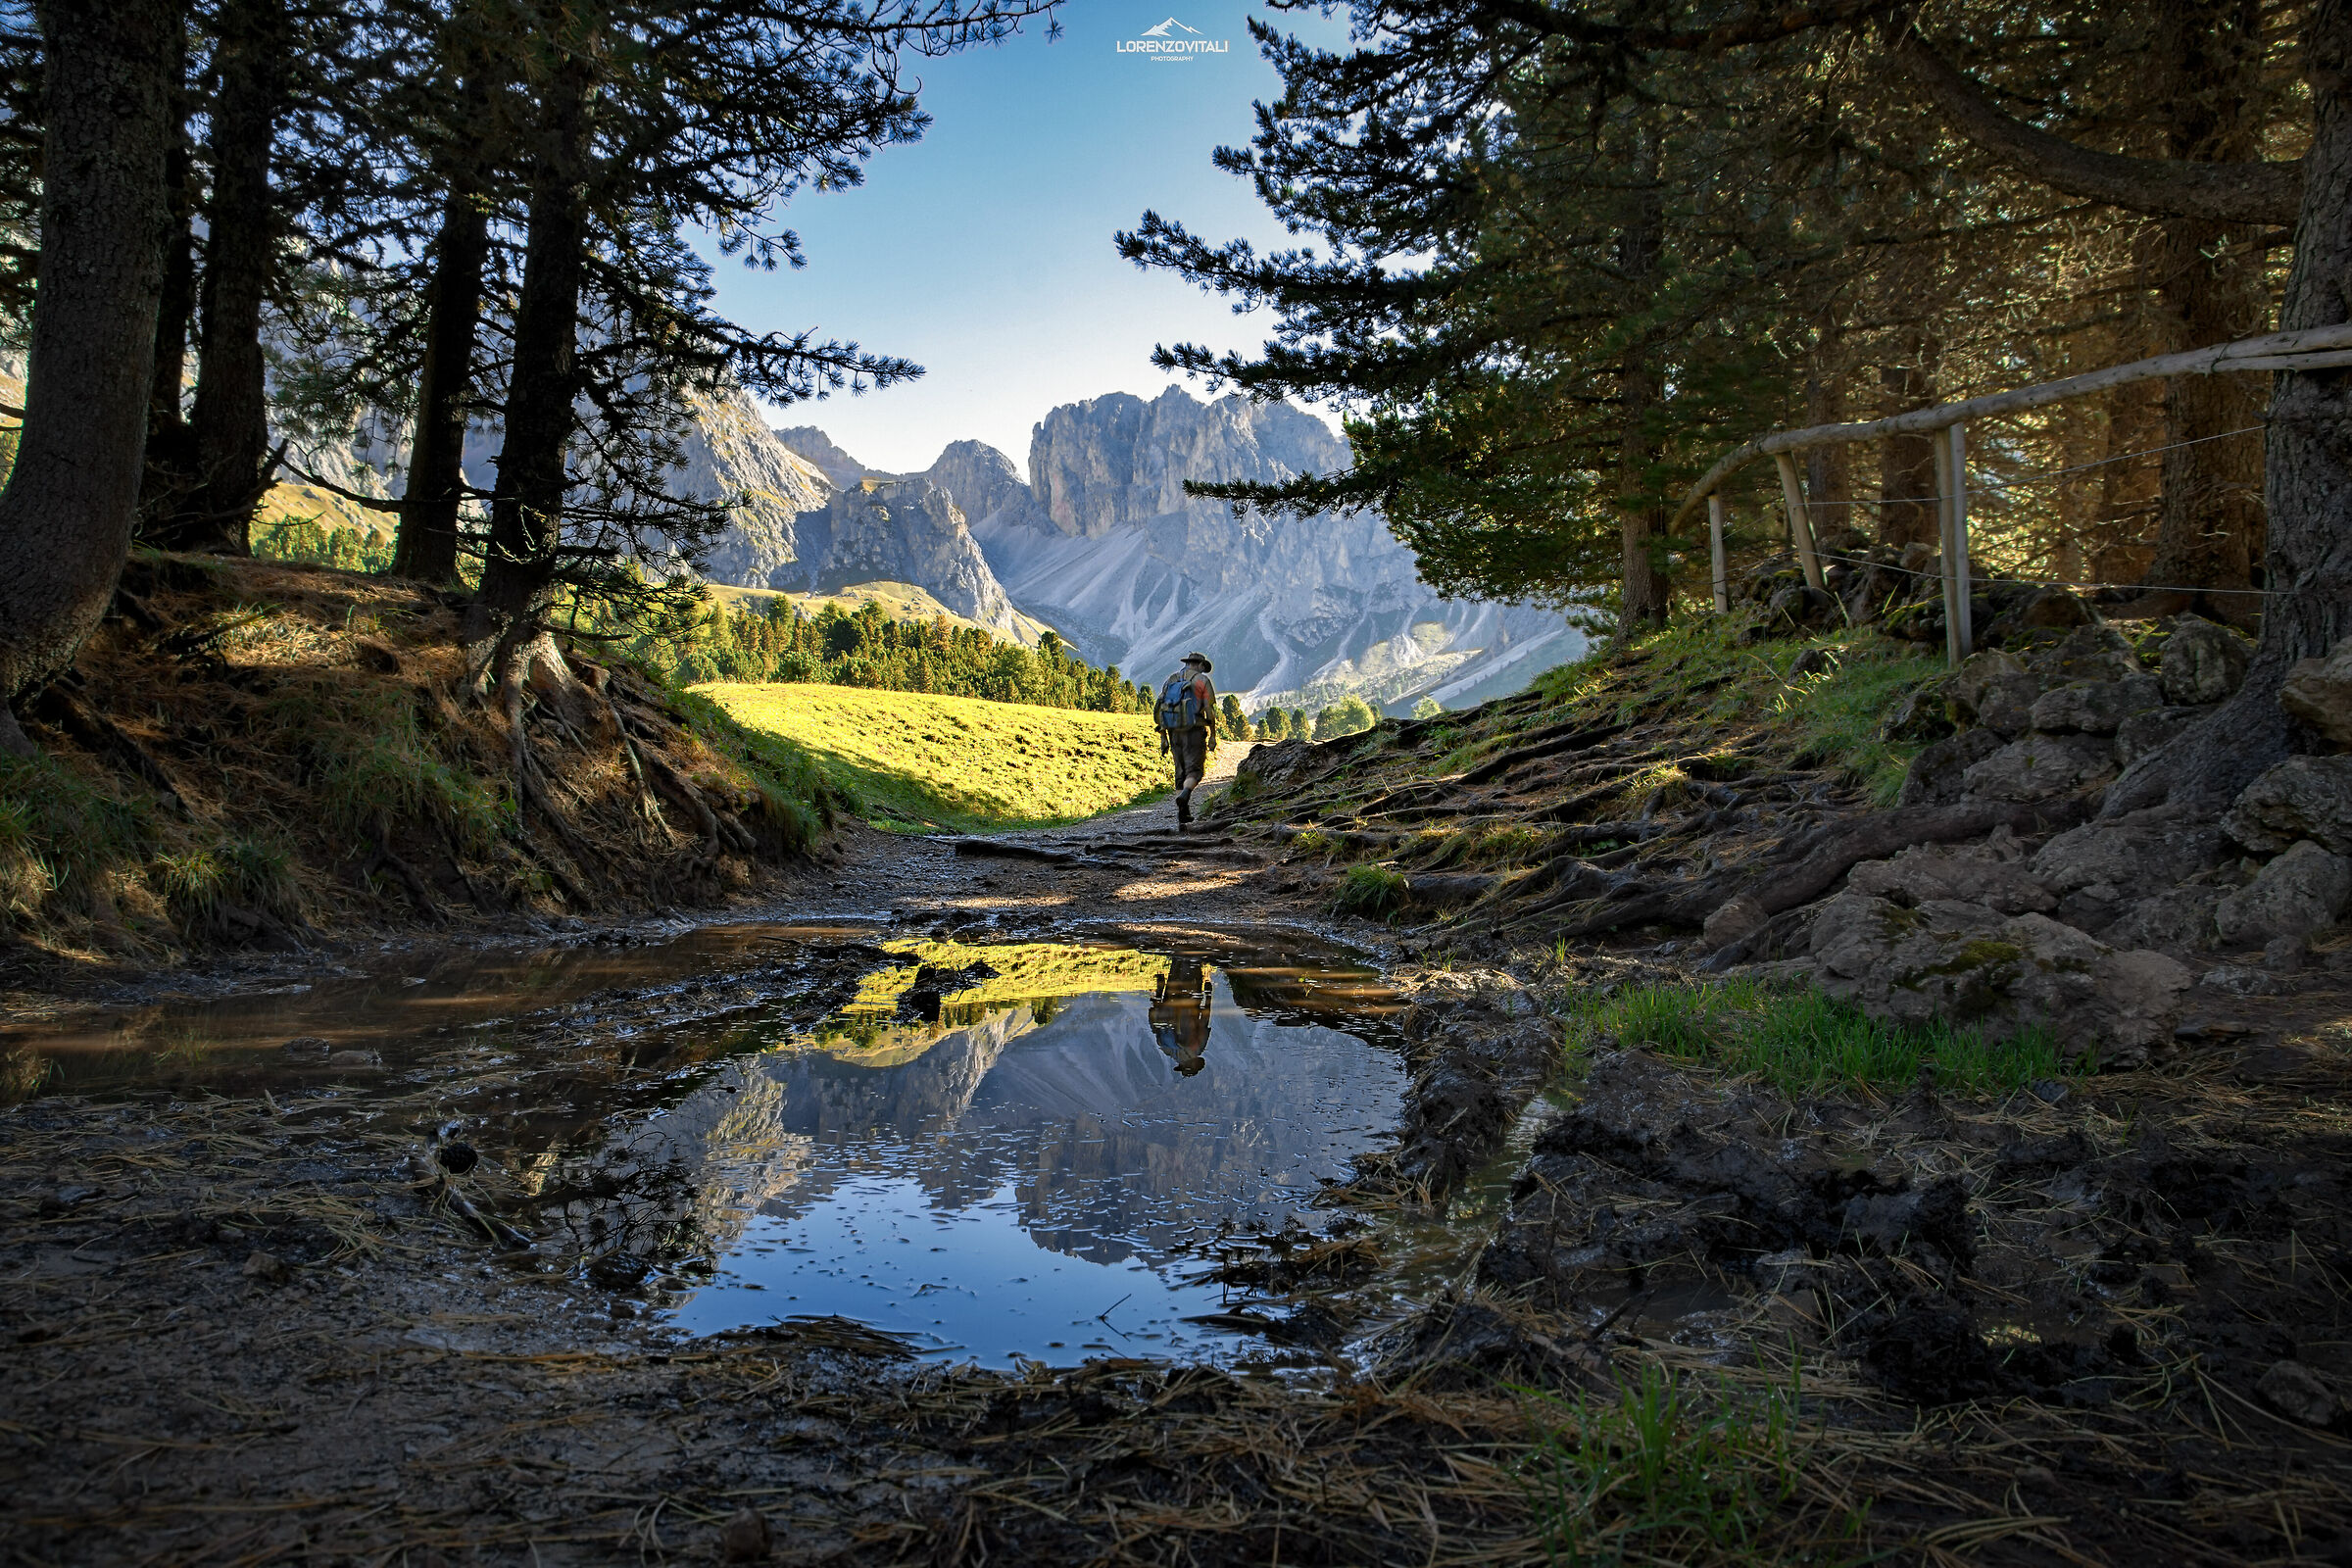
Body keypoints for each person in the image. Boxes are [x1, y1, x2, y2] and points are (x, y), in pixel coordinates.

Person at [1153, 651, 1217, 826]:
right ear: (1200, 665)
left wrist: (1163, 738)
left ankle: (1183, 812)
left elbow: (1160, 708)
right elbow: (1209, 710)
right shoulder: (1202, 681)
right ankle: (1185, 795)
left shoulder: (1171, 680)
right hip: (1194, 729)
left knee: (1180, 773)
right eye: (1203, 667)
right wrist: (1213, 735)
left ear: (1187, 663)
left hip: (1173, 731)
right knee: (1195, 771)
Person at [1149, 956, 1213, 1076]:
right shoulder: (1168, 1049)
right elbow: (1155, 1027)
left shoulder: (1196, 1049)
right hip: (1169, 1003)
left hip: (1190, 1003)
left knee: (1192, 962)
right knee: (1176, 963)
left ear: (1195, 1063)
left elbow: (1204, 1021)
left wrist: (1208, 995)